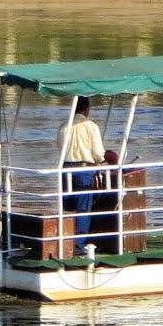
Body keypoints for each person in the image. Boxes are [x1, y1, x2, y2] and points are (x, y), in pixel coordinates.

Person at [59, 96, 107, 248]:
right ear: (86, 109)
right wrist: (100, 162)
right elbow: (99, 153)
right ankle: (78, 246)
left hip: (66, 169)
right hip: (84, 170)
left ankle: (65, 243)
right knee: (83, 208)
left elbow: (60, 148)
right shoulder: (91, 126)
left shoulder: (64, 126)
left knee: (67, 208)